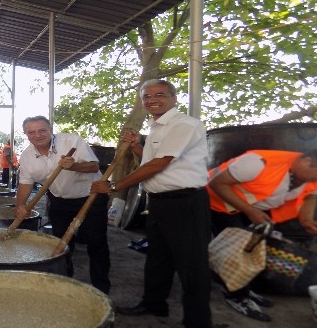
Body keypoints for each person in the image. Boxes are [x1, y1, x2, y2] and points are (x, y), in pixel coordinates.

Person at [91, 79, 212, 328]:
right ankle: (154, 303)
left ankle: (198, 321)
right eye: (146, 96)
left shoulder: (184, 125)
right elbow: (149, 159)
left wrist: (114, 186)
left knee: (192, 265)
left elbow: (158, 164)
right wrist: (137, 146)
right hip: (159, 202)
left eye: (159, 95)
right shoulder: (156, 127)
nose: (152, 99)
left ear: (174, 98)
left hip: (185, 202)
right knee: (158, 257)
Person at [206, 149, 317, 321]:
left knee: (251, 249)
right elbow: (216, 184)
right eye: (313, 176)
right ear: (306, 161)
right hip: (216, 202)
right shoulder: (257, 162)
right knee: (235, 252)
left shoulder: (308, 174)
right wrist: (250, 211)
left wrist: (306, 220)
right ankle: (236, 297)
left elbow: (310, 196)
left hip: (246, 207)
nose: (314, 181)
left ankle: (243, 288)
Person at [13, 115, 111, 293]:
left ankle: (101, 289)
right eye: (32, 132)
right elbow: (25, 183)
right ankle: (64, 282)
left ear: (51, 129)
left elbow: (94, 167)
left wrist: (73, 166)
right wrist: (20, 205)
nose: (38, 135)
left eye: (42, 130)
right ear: (26, 134)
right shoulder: (27, 157)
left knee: (96, 242)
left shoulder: (72, 141)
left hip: (90, 197)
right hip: (59, 201)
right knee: (61, 243)